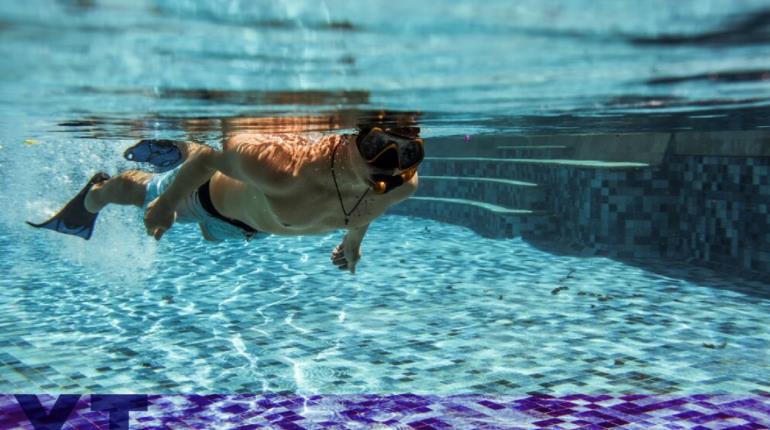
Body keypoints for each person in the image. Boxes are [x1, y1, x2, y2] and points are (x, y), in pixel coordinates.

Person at [27, 125, 425, 273]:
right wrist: (166, 205)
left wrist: (352, 246)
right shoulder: (284, 168)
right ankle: (94, 196)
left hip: (253, 225)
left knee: (212, 237)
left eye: (406, 153)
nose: (389, 163)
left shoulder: (401, 185)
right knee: (141, 193)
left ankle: (179, 147)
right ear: (351, 137)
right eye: (376, 145)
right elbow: (212, 156)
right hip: (205, 199)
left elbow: (365, 207)